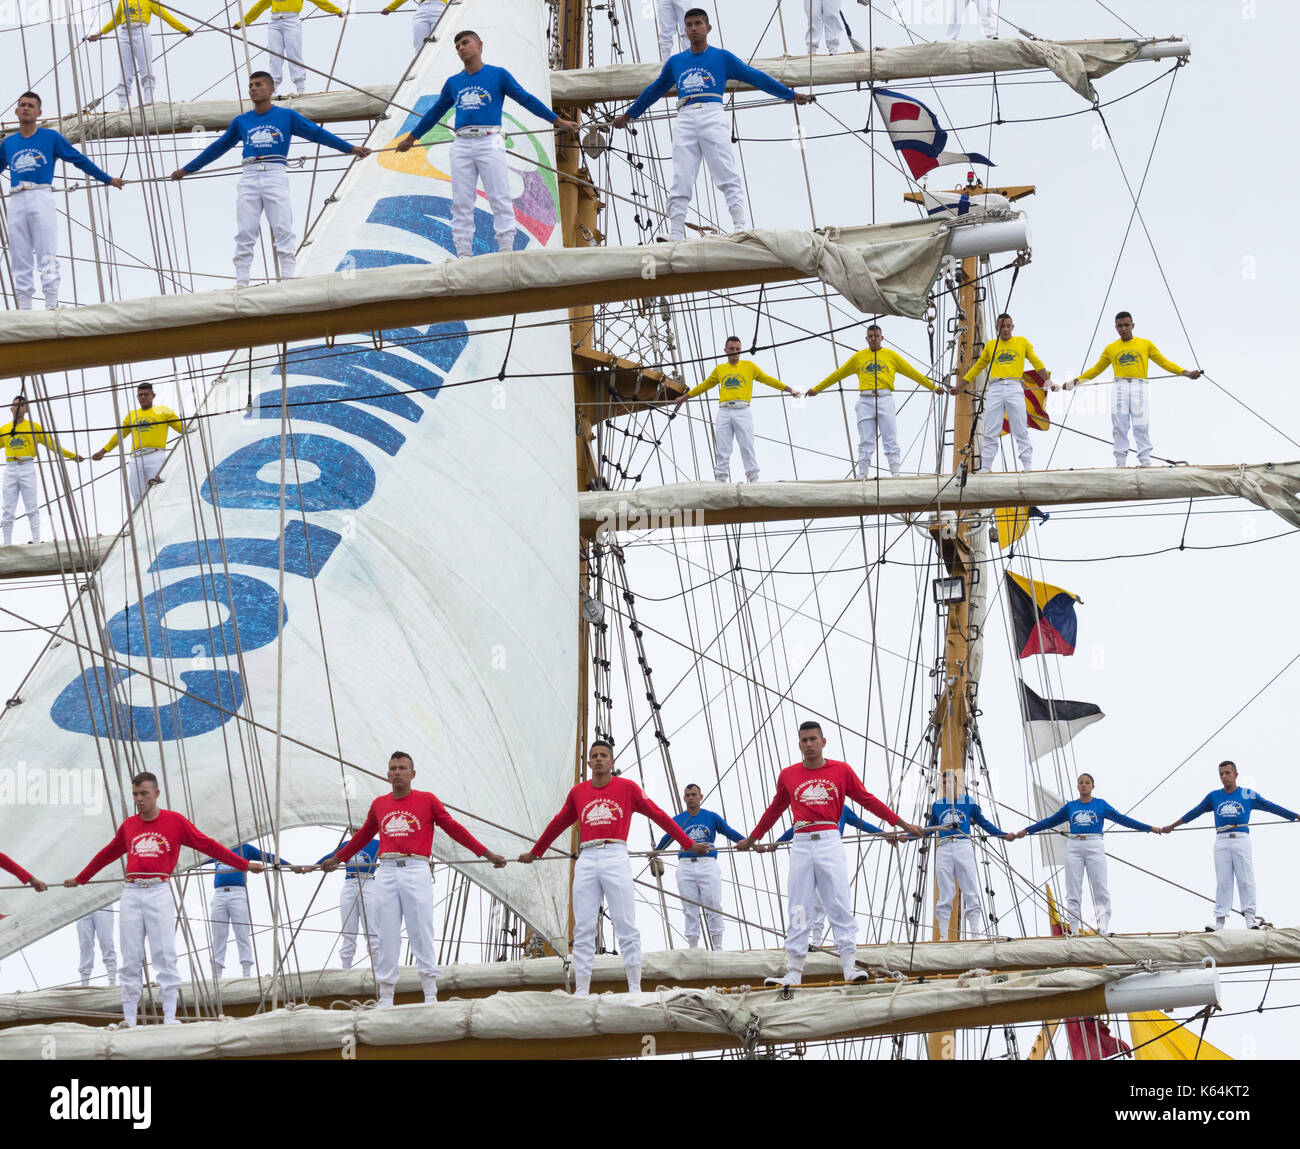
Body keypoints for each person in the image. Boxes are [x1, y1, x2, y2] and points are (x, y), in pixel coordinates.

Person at [65, 772, 263, 1027]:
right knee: (131, 957)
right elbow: (107, 854)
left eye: (144, 794)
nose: (139, 799)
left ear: (156, 794)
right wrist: (81, 878)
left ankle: (169, 1017)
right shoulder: (128, 826)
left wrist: (243, 864)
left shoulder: (175, 822)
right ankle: (130, 1019)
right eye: (135, 794)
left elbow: (208, 845)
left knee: (164, 955)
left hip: (159, 889)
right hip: (132, 891)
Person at [736, 721, 922, 987]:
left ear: (823, 742)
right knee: (799, 905)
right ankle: (794, 970)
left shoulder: (841, 770)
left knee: (837, 901)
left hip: (829, 839)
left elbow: (868, 801)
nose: (809, 744)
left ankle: (849, 964)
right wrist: (753, 839)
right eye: (804, 741)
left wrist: (902, 825)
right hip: (801, 842)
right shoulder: (788, 775)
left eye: (813, 739)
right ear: (799, 744)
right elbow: (774, 810)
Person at [317, 752, 506, 1008]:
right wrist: (339, 858)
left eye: (402, 768)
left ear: (412, 774)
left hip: (416, 867)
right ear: (387, 774)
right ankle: (385, 996)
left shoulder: (427, 800)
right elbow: (362, 836)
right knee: (385, 933)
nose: (397, 772)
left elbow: (454, 829)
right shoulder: (379, 804)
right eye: (393, 768)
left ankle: (430, 993)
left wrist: (486, 854)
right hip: (387, 868)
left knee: (421, 930)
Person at [518, 741, 708, 995]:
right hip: (587, 855)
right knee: (583, 927)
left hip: (615, 853)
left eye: (604, 756)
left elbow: (659, 815)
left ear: (612, 762)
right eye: (594, 756)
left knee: (625, 923)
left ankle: (634, 987)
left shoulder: (627, 788)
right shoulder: (578, 792)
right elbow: (558, 823)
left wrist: (687, 843)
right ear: (588, 763)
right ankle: (582, 989)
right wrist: (536, 852)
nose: (599, 759)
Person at [612, 9, 812, 242]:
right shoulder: (676, 62)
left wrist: (789, 94)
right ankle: (676, 231)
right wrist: (629, 115)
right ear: (684, 30)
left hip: (711, 112)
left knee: (724, 170)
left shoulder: (722, 57)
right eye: (689, 25)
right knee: (681, 175)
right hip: (685, 115)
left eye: (698, 23)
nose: (693, 28)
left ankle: (739, 226)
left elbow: (754, 76)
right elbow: (655, 90)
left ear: (708, 28)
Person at [170, 72, 370, 286]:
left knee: (282, 227)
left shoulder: (287, 116)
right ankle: (242, 282)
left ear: (271, 89)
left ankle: (287, 279)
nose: (253, 89)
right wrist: (187, 169)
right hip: (249, 175)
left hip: (275, 172)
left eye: (258, 85)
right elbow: (217, 148)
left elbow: (317, 134)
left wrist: (351, 148)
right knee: (246, 230)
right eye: (250, 86)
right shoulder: (241, 121)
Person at [395, 30, 578, 259]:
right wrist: (412, 137)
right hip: (461, 143)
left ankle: (506, 250)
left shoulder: (498, 75)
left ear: (479, 45)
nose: (461, 48)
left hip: (489, 140)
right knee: (461, 200)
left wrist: (556, 120)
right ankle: (463, 253)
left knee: (499, 195)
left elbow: (525, 98)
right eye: (457, 46)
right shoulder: (453, 82)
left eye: (465, 43)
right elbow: (435, 113)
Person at [1, 92, 126, 310]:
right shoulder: (8, 143)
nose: (26, 108)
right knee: (19, 254)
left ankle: (51, 302)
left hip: (40, 194)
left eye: (30, 105)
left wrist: (107, 179)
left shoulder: (51, 138)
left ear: (39, 113)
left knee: (45, 250)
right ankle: (24, 307)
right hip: (16, 197)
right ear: (16, 111)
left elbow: (79, 160)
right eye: (22, 105)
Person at [1011, 772, 1164, 935]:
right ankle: (1075, 930)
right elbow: (1049, 821)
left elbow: (1123, 820)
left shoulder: (1101, 805)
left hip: (1094, 844)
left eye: (1087, 782)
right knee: (1073, 890)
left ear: (1092, 786)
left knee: (1100, 888)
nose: (1084, 785)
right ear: (1077, 786)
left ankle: (1103, 927)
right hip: (1074, 845)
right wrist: (1027, 830)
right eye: (1081, 782)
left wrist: (1149, 828)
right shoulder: (1071, 806)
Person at [1161, 760, 1299, 931]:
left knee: (1245, 879)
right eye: (1221, 774)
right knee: (1223, 881)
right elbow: (1194, 812)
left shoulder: (1247, 794)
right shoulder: (1214, 796)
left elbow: (1269, 806)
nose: (1224, 777)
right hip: (1222, 839)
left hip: (1241, 838)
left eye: (1227, 773)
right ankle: (1219, 922)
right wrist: (1172, 826)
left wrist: (1295, 816)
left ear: (1236, 774)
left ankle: (1250, 919)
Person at [806, 324, 954, 478]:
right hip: (865, 400)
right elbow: (839, 374)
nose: (873, 339)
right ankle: (862, 474)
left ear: (882, 338)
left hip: (885, 399)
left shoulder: (891, 356)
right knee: (865, 440)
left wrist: (933, 387)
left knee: (890, 438)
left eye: (876, 336)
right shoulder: (858, 357)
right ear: (866, 338)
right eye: (870, 336)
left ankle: (895, 473)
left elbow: (913, 373)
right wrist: (817, 389)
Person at [1065, 311, 1201, 468]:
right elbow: (1096, 369)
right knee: (1119, 425)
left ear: (1133, 325)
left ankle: (1145, 460)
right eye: (1120, 326)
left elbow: (1164, 362)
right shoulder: (1111, 348)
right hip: (1120, 386)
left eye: (1126, 325)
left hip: (1139, 385)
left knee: (1141, 424)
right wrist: (1074, 382)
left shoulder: (1145, 344)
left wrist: (1187, 373)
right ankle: (1120, 462)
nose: (1123, 329)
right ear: (1115, 327)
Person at [763, 807, 898, 949]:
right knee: (806, 900)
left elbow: (860, 823)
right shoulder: (811, 805)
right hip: (807, 851)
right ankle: (806, 939)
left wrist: (883, 834)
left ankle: (836, 940)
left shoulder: (842, 809)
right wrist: (778, 842)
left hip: (830, 853)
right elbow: (798, 828)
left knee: (833, 899)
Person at [676, 336, 795, 482]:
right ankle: (720, 479)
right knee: (722, 447)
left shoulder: (749, 367)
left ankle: (753, 479)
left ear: (741, 350)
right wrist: (684, 397)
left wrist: (789, 389)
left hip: (742, 410)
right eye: (731, 349)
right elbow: (705, 385)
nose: (735, 352)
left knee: (747, 445)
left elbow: (767, 379)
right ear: (725, 351)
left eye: (738, 349)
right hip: (724, 410)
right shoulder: (720, 369)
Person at [953, 313, 1052, 473]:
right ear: (996, 328)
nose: (1005, 329)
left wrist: (1047, 380)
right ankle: (985, 467)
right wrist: (960, 385)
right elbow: (977, 367)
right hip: (996, 388)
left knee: (1020, 427)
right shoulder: (991, 346)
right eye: (1002, 327)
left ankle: (1027, 465)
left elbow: (1035, 360)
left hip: (1014, 386)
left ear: (1012, 327)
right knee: (991, 428)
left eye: (1008, 326)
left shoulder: (1021, 342)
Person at [652, 783, 745, 949]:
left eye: (694, 795)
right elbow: (668, 838)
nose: (691, 798)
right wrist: (656, 851)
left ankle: (718, 946)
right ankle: (693, 946)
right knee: (689, 907)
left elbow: (728, 831)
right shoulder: (679, 819)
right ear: (684, 798)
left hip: (707, 863)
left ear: (701, 797)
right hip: (685, 865)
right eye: (687, 795)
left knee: (713, 904)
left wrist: (747, 842)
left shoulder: (711, 817)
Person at [927, 770, 1011, 940]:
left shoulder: (969, 802)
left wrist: (1003, 835)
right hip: (943, 847)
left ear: (957, 783)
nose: (947, 785)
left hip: (963, 844)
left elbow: (983, 823)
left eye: (950, 782)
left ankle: (975, 934)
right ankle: (943, 936)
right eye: (944, 782)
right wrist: (907, 837)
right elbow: (928, 829)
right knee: (945, 892)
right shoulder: (937, 805)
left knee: (970, 890)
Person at [2, 394, 83, 546]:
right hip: (10, 467)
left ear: (26, 409)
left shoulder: (34, 427)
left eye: (21, 405)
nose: (18, 408)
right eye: (15, 405)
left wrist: (72, 456)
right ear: (11, 409)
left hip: (27, 466)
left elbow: (52, 445)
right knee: (8, 507)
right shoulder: (4, 429)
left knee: (31, 505)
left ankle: (36, 539)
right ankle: (6, 543)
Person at [85, 1, 193, 111]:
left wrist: (184, 29)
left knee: (145, 67)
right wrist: (98, 34)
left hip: (141, 31)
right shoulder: (123, 1)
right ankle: (122, 106)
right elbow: (116, 20)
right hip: (124, 33)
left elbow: (166, 16)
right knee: (125, 70)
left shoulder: (149, 1)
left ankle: (148, 102)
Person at [91, 383, 186, 506]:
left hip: (156, 456)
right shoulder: (132, 415)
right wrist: (103, 451)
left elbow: (182, 429)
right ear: (137, 397)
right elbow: (120, 435)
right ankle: (140, 521)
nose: (143, 397)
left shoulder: (164, 411)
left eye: (146, 394)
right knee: (137, 496)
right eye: (140, 395)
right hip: (136, 459)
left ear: (153, 396)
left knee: (158, 492)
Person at [209, 841, 290, 979]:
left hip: (237, 893)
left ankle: (246, 973)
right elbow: (197, 857)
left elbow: (267, 856)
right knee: (218, 935)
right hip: (219, 894)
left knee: (242, 933)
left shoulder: (244, 847)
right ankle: (216, 975)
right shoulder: (217, 846)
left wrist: (289, 865)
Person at [233, 0, 343, 98]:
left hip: (291, 21)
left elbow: (320, 1)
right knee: (274, 55)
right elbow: (258, 7)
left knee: (293, 53)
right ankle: (273, 87)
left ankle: (300, 86)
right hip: (274, 23)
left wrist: (336, 10)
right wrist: (242, 22)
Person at [310, 830, 379, 970]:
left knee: (371, 928)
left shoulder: (377, 844)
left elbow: (394, 854)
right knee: (348, 929)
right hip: (349, 883)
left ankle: (377, 967)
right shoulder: (347, 845)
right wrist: (312, 867)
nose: (354, 832)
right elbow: (331, 857)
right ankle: (346, 967)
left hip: (368, 882)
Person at [381, 0, 447, 53]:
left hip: (439, 7)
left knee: (439, 40)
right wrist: (390, 8)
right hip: (422, 9)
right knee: (419, 46)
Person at [76, 909, 118, 987]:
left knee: (106, 942)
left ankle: (112, 981)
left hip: (103, 904)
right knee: (85, 945)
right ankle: (84, 983)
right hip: (82, 907)